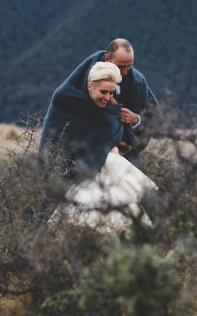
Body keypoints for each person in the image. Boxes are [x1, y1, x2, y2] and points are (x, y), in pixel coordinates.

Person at [41, 62, 158, 232]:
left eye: (111, 92)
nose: (107, 97)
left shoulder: (114, 110)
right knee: (81, 218)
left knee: (123, 218)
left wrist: (116, 149)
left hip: (112, 173)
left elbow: (128, 141)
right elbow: (64, 141)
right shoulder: (73, 107)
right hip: (82, 172)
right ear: (90, 85)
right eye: (103, 92)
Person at [39, 38, 158, 169]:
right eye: (121, 66)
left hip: (118, 150)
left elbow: (154, 114)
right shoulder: (88, 74)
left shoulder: (137, 82)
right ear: (107, 58)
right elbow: (63, 99)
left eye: (130, 66)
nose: (125, 72)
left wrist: (136, 119)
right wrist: (108, 116)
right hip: (82, 145)